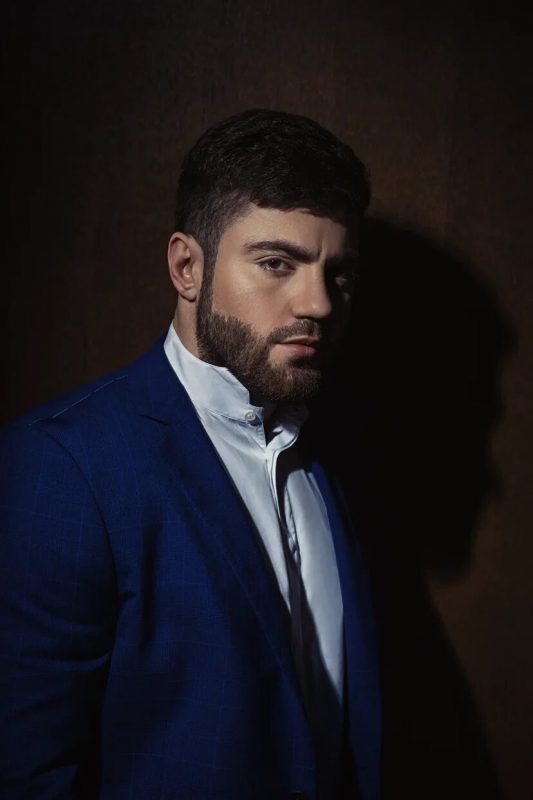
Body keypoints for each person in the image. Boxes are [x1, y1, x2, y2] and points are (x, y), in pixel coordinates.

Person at [0, 109, 381, 800]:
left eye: (339, 272)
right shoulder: (64, 465)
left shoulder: (331, 446)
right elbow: (29, 770)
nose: (319, 303)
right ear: (187, 267)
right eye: (277, 263)